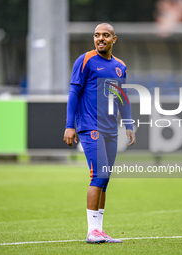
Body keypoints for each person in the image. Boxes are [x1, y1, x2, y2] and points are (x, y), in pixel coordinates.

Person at [63, 23, 136, 244]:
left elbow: (121, 96)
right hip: (90, 126)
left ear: (114, 39)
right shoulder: (85, 60)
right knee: (99, 175)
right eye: (96, 35)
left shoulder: (120, 66)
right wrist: (70, 125)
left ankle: (99, 231)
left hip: (110, 130)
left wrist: (129, 125)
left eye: (105, 35)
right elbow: (74, 92)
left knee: (105, 180)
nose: (100, 39)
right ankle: (91, 231)